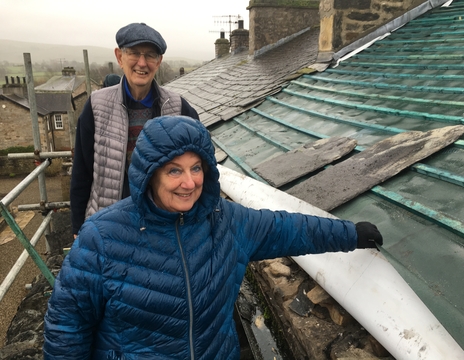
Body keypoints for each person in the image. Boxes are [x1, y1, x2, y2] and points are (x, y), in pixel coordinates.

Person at [44, 116, 383, 359]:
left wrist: (351, 234)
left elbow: (290, 228)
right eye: (174, 170)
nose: (189, 182)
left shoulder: (226, 221)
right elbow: (67, 328)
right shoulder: (101, 237)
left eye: (196, 168)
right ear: (148, 174)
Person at [70, 22, 199, 237]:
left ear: (159, 62)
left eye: (150, 55)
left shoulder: (178, 107)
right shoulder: (96, 106)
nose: (142, 63)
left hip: (162, 226)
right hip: (108, 225)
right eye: (134, 53)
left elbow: (202, 164)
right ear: (119, 57)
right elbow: (82, 171)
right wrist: (77, 228)